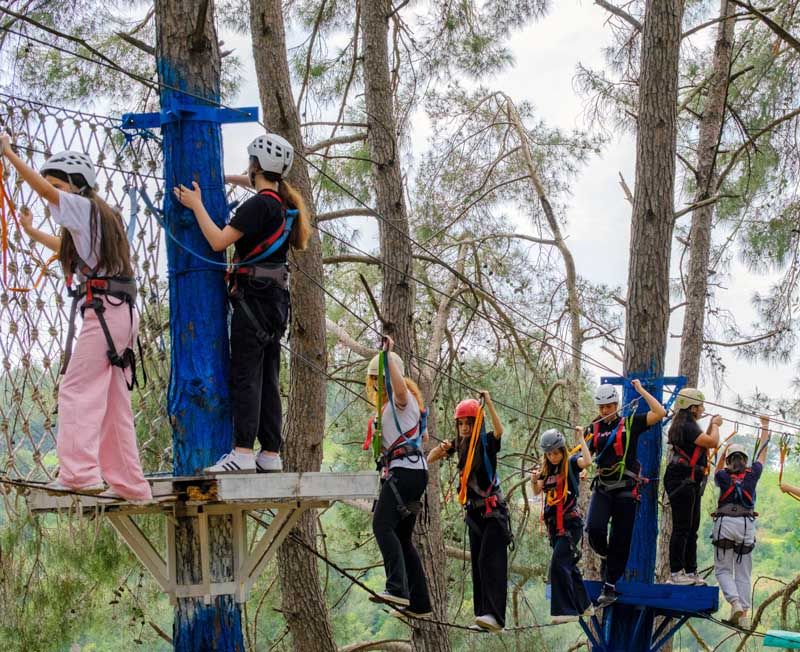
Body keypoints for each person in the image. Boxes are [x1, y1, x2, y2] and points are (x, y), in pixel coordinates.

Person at [0, 134, 152, 502]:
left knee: (76, 388)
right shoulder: (99, 217)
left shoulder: (84, 208)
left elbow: (43, 192)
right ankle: (130, 483)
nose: (52, 195)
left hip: (104, 311)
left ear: (75, 185)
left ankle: (79, 473)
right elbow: (69, 250)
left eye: (57, 186)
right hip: (119, 311)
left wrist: (8, 154)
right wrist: (34, 231)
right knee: (114, 400)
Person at [174, 133, 311, 474]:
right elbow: (255, 190)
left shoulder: (257, 206)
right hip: (275, 300)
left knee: (246, 375)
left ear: (256, 166)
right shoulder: (279, 204)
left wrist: (196, 205)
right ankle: (270, 453)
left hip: (254, 298)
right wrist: (221, 179)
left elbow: (219, 241)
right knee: (267, 375)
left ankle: (243, 452)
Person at [427, 391, 509, 632]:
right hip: (474, 515)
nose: (464, 427)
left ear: (477, 423)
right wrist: (440, 449)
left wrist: (489, 404)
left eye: (468, 422)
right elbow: (431, 458)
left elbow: (499, 430)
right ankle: (483, 616)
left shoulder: (486, 442)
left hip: (493, 513)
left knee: (488, 560)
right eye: (460, 423)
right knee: (477, 563)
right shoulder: (458, 444)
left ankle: (496, 616)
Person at [585, 379, 666, 607]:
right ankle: (605, 557)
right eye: (601, 407)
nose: (604, 411)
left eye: (609, 406)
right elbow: (584, 456)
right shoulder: (594, 429)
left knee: (621, 539)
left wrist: (641, 391)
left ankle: (609, 586)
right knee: (594, 528)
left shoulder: (630, 423)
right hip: (603, 487)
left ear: (616, 404)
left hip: (626, 489)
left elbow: (659, 412)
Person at [366, 337, 432, 618]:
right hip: (411, 473)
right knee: (403, 539)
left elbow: (399, 388)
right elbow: (423, 438)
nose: (378, 386)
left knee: (382, 526)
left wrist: (388, 357)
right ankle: (419, 603)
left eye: (380, 380)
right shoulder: (395, 410)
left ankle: (397, 588)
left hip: (405, 472)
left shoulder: (402, 401)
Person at [532, 427, 594, 624]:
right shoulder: (546, 470)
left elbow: (588, 462)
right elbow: (536, 491)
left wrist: (581, 439)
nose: (553, 457)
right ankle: (585, 605)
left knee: (558, 565)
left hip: (570, 524)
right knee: (568, 565)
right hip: (554, 528)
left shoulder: (571, 462)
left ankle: (566, 611)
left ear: (562, 450)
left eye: (556, 453)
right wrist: (534, 480)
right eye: (549, 454)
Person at [712, 416, 769, 627]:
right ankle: (744, 614)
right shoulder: (752, 474)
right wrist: (765, 427)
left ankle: (735, 603)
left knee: (723, 570)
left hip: (726, 525)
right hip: (746, 526)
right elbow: (762, 452)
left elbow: (716, 469)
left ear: (728, 461)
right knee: (743, 571)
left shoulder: (723, 477)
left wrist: (723, 450)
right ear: (745, 460)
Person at [663, 388, 721, 586]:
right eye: (701, 406)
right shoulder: (687, 425)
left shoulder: (686, 425)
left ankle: (690, 571)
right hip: (681, 479)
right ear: (692, 407)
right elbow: (712, 442)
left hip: (689, 479)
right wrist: (715, 424)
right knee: (682, 527)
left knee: (692, 527)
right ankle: (676, 572)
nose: (703, 409)